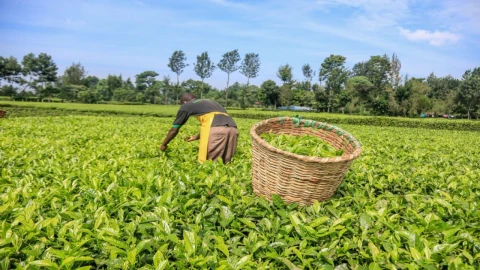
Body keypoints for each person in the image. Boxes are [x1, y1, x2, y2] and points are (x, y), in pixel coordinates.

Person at [160, 93, 239, 163]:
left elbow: (174, 129)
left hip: (216, 129)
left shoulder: (186, 105)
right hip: (233, 129)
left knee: (209, 163)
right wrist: (195, 137)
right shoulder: (210, 102)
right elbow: (217, 124)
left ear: (184, 102)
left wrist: (164, 144)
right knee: (226, 161)